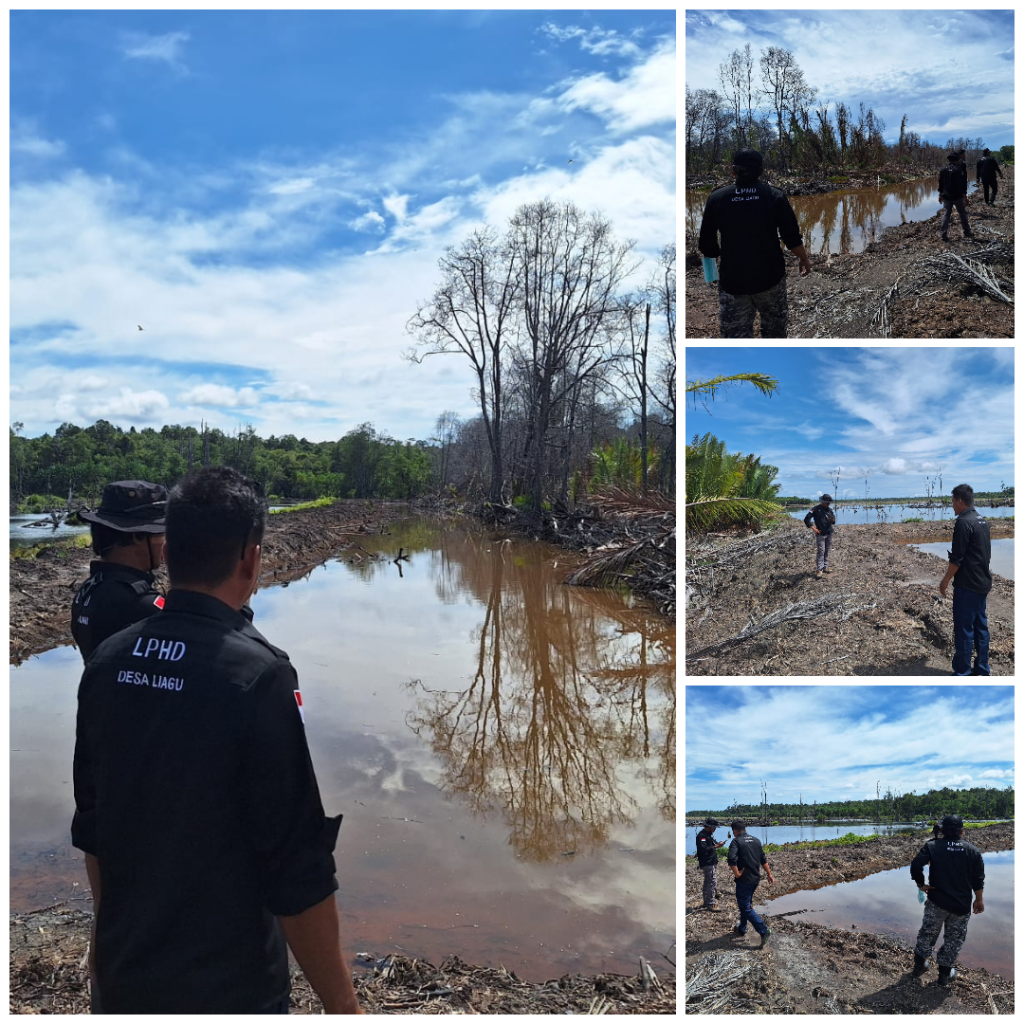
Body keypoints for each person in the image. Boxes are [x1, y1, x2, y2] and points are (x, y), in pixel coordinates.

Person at [71, 466, 362, 1014]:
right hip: (228, 987)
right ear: (251, 559)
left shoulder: (107, 662)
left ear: (168, 550)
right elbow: (296, 866)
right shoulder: (258, 675)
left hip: (125, 978)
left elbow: (93, 826)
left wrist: (103, 947)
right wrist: (345, 1008)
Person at [697, 148, 811, 338]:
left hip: (733, 282)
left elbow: (706, 244)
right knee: (775, 333)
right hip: (770, 279)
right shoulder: (774, 196)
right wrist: (804, 259)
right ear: (762, 171)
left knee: (735, 337)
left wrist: (713, 268)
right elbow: (791, 237)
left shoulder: (717, 198)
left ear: (733, 170)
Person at [72, 481, 168, 662]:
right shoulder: (142, 605)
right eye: (161, 534)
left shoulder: (87, 590)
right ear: (138, 535)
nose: (165, 543)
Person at [910, 814, 985, 987]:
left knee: (927, 933)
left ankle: (919, 966)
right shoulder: (972, 851)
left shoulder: (932, 846)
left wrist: (921, 884)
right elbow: (978, 878)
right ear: (961, 831)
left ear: (942, 830)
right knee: (954, 940)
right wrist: (979, 899)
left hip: (937, 901)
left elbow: (916, 865)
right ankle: (944, 975)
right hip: (961, 905)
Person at [939, 483, 992, 676]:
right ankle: (982, 669)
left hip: (968, 585)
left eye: (953, 501)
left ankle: (962, 672)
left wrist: (945, 580)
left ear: (960, 501)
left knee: (964, 630)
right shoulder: (981, 520)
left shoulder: (963, 522)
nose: (952, 505)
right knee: (980, 628)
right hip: (982, 582)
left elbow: (957, 559)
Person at [727, 819, 774, 947]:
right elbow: (763, 859)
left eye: (733, 831)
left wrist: (737, 874)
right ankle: (742, 928)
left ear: (735, 830)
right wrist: (769, 874)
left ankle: (763, 930)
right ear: (745, 829)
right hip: (755, 879)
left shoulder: (736, 841)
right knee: (746, 905)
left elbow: (731, 859)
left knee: (745, 907)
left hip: (744, 880)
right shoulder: (756, 840)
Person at [937, 153, 974, 242]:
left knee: (946, 214)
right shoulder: (959, 170)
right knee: (962, 213)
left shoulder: (943, 170)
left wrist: (940, 195)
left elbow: (941, 184)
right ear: (957, 160)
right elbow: (962, 185)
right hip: (957, 196)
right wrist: (965, 198)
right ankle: (967, 232)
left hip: (946, 196)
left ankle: (943, 234)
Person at [695, 818, 727, 911]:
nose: (715, 829)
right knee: (712, 882)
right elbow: (704, 849)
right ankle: (710, 903)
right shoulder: (702, 836)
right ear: (709, 827)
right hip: (707, 862)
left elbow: (710, 846)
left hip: (711, 861)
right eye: (714, 827)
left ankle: (706, 901)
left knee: (708, 882)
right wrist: (716, 846)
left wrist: (717, 845)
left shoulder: (708, 835)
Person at [803, 494, 836, 577]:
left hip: (829, 532)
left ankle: (825, 567)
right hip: (820, 533)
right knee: (821, 551)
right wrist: (814, 529)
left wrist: (832, 520)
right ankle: (819, 569)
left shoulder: (829, 510)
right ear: (822, 501)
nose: (828, 504)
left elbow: (833, 522)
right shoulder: (815, 509)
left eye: (829, 503)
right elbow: (806, 519)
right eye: (827, 503)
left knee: (826, 550)